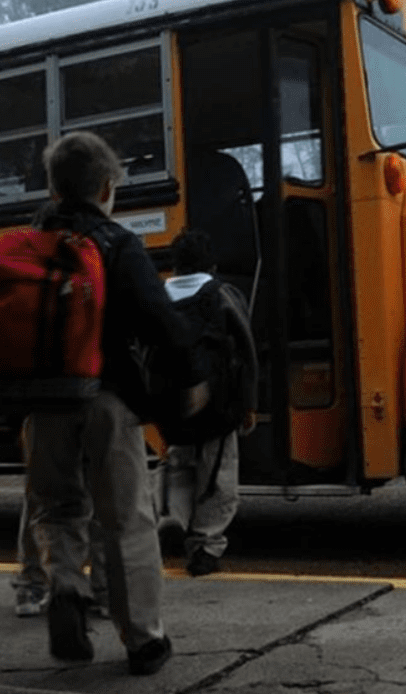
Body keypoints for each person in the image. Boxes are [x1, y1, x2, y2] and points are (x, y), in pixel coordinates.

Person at [19, 130, 202, 676]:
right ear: (105, 188)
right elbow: (160, 319)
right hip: (107, 398)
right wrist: (192, 377)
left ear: (54, 191)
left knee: (57, 509)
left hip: (43, 404)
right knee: (125, 520)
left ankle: (69, 590)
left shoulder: (29, 247)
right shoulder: (118, 244)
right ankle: (144, 640)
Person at [157, 229, 258, 577]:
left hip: (174, 409)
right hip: (219, 406)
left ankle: (173, 517)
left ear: (175, 264)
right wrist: (248, 404)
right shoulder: (222, 295)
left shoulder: (159, 298)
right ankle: (206, 546)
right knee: (217, 476)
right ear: (210, 263)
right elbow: (246, 351)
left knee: (180, 467)